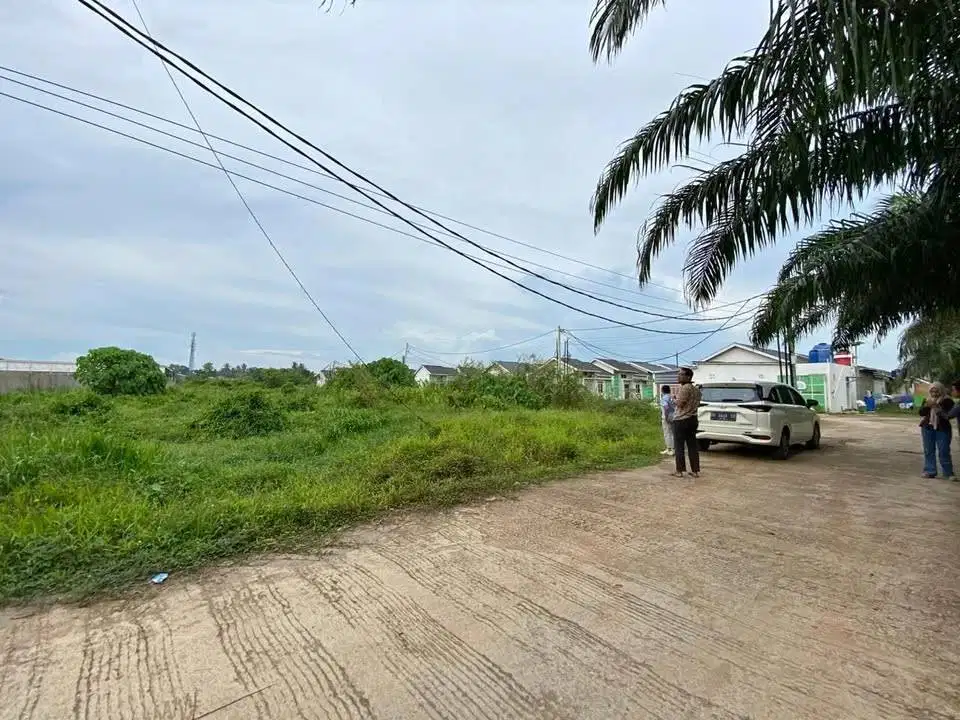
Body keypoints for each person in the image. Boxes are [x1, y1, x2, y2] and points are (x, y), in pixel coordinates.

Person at [918, 381, 955, 479]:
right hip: (928, 427)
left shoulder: (947, 400)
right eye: (932, 391)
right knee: (929, 450)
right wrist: (927, 406)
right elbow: (921, 413)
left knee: (944, 450)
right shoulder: (927, 399)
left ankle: (948, 473)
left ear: (941, 391)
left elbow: (948, 415)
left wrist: (936, 406)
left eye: (936, 391)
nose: (934, 394)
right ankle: (930, 471)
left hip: (942, 428)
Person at [671, 367, 702, 478]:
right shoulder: (697, 390)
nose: (678, 376)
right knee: (692, 446)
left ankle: (679, 471)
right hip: (693, 419)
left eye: (681, 374)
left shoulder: (684, 388)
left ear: (688, 376)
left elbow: (679, 404)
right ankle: (695, 470)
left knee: (679, 446)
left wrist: (673, 398)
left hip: (681, 420)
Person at [659, 385, 675, 455]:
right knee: (672, 433)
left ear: (662, 390)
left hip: (667, 417)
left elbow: (666, 407)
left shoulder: (664, 398)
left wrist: (666, 417)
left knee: (667, 433)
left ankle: (669, 449)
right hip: (673, 416)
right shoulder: (672, 397)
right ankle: (673, 449)